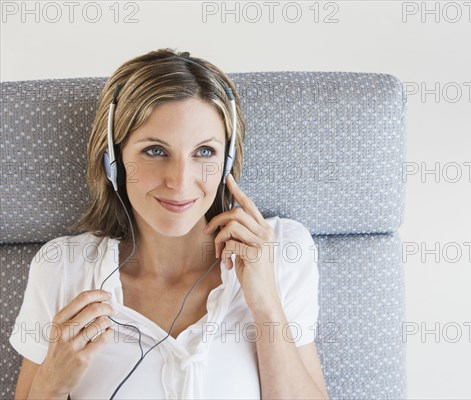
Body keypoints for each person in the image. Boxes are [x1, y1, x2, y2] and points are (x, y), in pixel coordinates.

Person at [10, 48, 329, 399]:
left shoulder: (280, 251)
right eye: (155, 151)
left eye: (204, 151)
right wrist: (50, 386)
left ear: (227, 160)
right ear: (114, 160)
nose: (179, 180)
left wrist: (266, 303)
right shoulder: (62, 270)